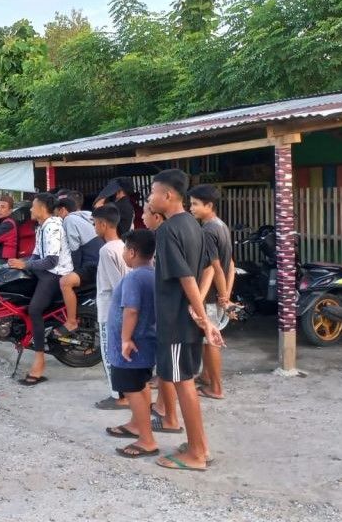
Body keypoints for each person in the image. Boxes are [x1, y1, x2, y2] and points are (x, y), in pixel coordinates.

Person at [147, 169, 224, 472]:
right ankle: (199, 445)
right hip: (186, 318)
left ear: (167, 196)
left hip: (176, 321)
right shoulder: (193, 224)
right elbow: (208, 270)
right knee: (185, 380)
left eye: (153, 192)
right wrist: (201, 312)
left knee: (183, 384)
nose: (150, 198)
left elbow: (186, 277)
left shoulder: (168, 230)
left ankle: (195, 452)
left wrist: (204, 318)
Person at [7, 193, 72, 386]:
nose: (30, 210)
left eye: (33, 206)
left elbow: (52, 260)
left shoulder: (52, 226)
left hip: (55, 274)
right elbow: (37, 254)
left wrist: (25, 265)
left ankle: (40, 361)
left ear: (42, 209)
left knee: (34, 309)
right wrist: (20, 263)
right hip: (45, 271)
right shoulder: (41, 226)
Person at [105, 229, 159, 459]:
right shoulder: (151, 273)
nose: (125, 252)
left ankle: (147, 440)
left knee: (132, 389)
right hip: (145, 343)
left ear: (133, 251)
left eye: (126, 248)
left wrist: (125, 339)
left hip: (131, 346)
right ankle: (138, 425)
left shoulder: (135, 277)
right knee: (140, 385)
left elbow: (131, 310)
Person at [188, 184, 235, 400]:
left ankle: (216, 387)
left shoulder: (207, 230)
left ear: (209, 205)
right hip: (217, 292)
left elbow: (214, 268)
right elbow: (230, 264)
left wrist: (223, 296)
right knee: (209, 338)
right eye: (191, 204)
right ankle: (207, 378)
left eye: (196, 204)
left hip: (209, 295)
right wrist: (226, 294)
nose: (192, 208)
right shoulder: (221, 226)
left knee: (210, 340)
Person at [92, 204, 131, 410]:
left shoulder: (106, 250)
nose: (94, 228)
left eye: (95, 223)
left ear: (103, 224)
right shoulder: (121, 246)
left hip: (110, 310)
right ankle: (124, 392)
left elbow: (118, 286)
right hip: (121, 310)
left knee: (109, 354)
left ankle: (118, 396)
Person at [55, 195, 102, 332]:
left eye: (56, 212)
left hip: (91, 263)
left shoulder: (69, 220)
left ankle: (71, 321)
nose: (56, 216)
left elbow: (75, 250)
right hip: (96, 261)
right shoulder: (84, 216)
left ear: (63, 210)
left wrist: (70, 271)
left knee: (65, 282)